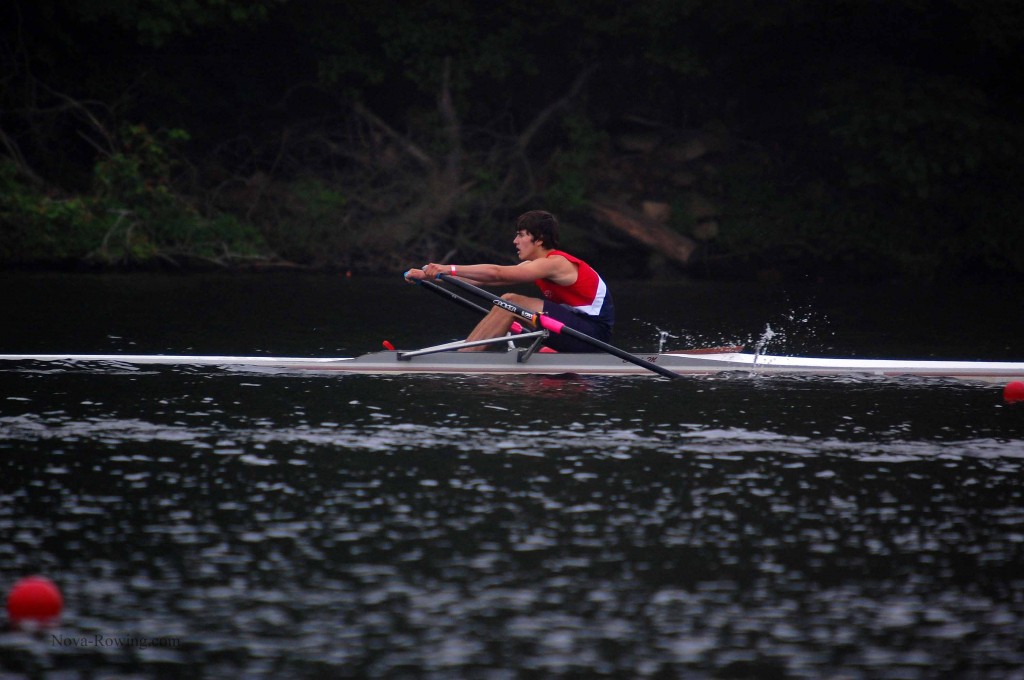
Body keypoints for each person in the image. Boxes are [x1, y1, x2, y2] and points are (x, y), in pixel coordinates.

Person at [405, 210, 615, 352]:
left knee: (510, 301)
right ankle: (466, 353)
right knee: (504, 303)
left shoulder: (555, 263)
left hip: (593, 335)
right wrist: (430, 277)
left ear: (539, 239)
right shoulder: (536, 265)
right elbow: (482, 281)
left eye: (521, 235)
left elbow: (497, 273)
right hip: (574, 330)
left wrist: (447, 268)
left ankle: (466, 357)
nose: (515, 241)